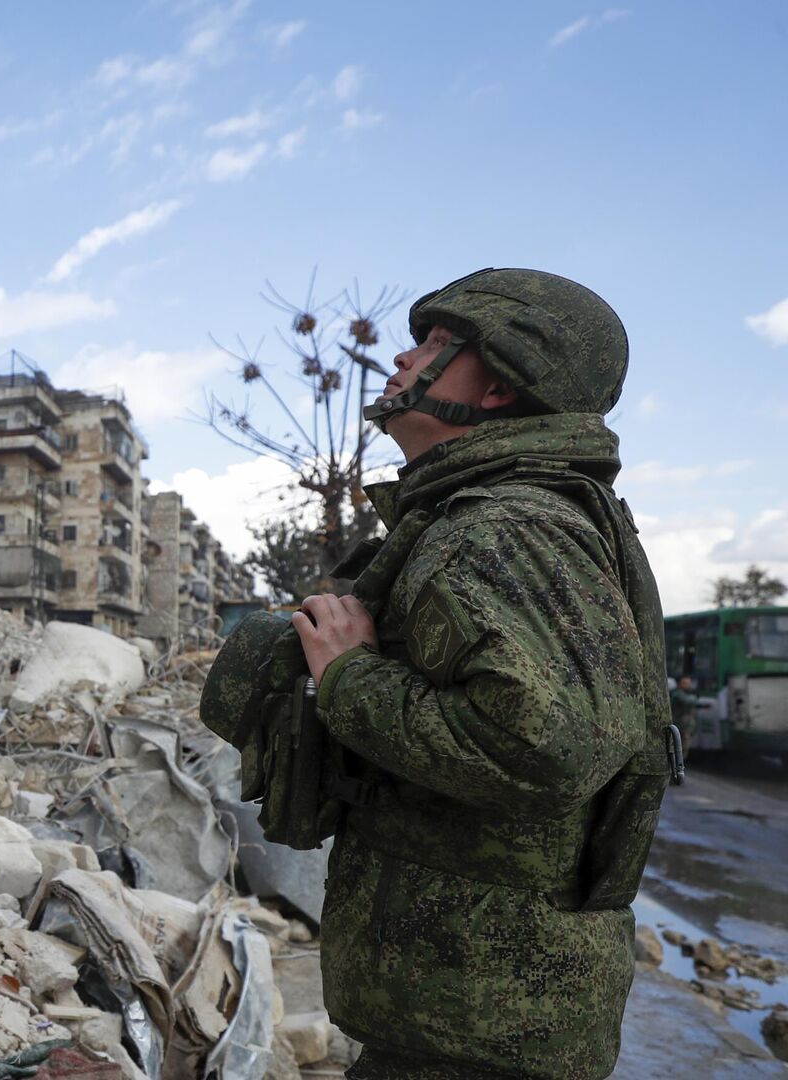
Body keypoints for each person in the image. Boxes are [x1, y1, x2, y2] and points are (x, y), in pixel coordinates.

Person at [288, 269, 669, 1079]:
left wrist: (351, 678)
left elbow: (546, 748)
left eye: (434, 344)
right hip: (475, 1017)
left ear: (499, 386)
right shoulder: (505, 513)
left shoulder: (502, 527)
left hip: (475, 1030)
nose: (402, 356)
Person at [670, 674, 709, 752]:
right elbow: (687, 700)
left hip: (687, 725)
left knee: (685, 743)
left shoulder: (689, 692)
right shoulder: (677, 693)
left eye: (688, 683)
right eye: (684, 683)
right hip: (679, 723)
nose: (687, 685)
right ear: (679, 684)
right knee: (680, 744)